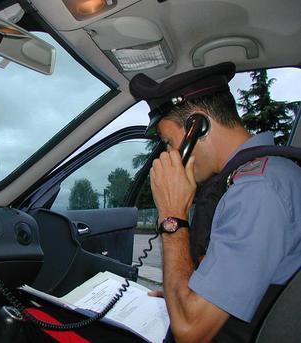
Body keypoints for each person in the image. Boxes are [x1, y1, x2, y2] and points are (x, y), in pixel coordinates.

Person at [129, 62, 301, 342]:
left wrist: (171, 215)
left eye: (169, 142)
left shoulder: (257, 190)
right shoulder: (253, 178)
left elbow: (190, 332)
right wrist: (187, 289)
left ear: (198, 127)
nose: (169, 153)